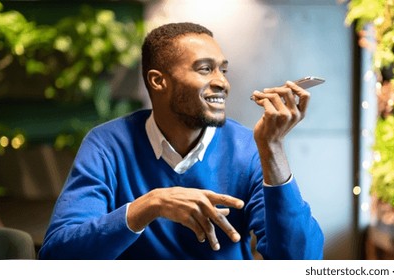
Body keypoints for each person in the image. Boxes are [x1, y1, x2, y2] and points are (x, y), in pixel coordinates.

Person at [38, 22, 324, 259]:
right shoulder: (107, 145)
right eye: (204, 69)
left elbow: (300, 262)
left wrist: (273, 150)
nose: (222, 82)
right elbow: (56, 256)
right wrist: (149, 205)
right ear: (158, 81)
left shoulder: (248, 148)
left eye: (222, 69)